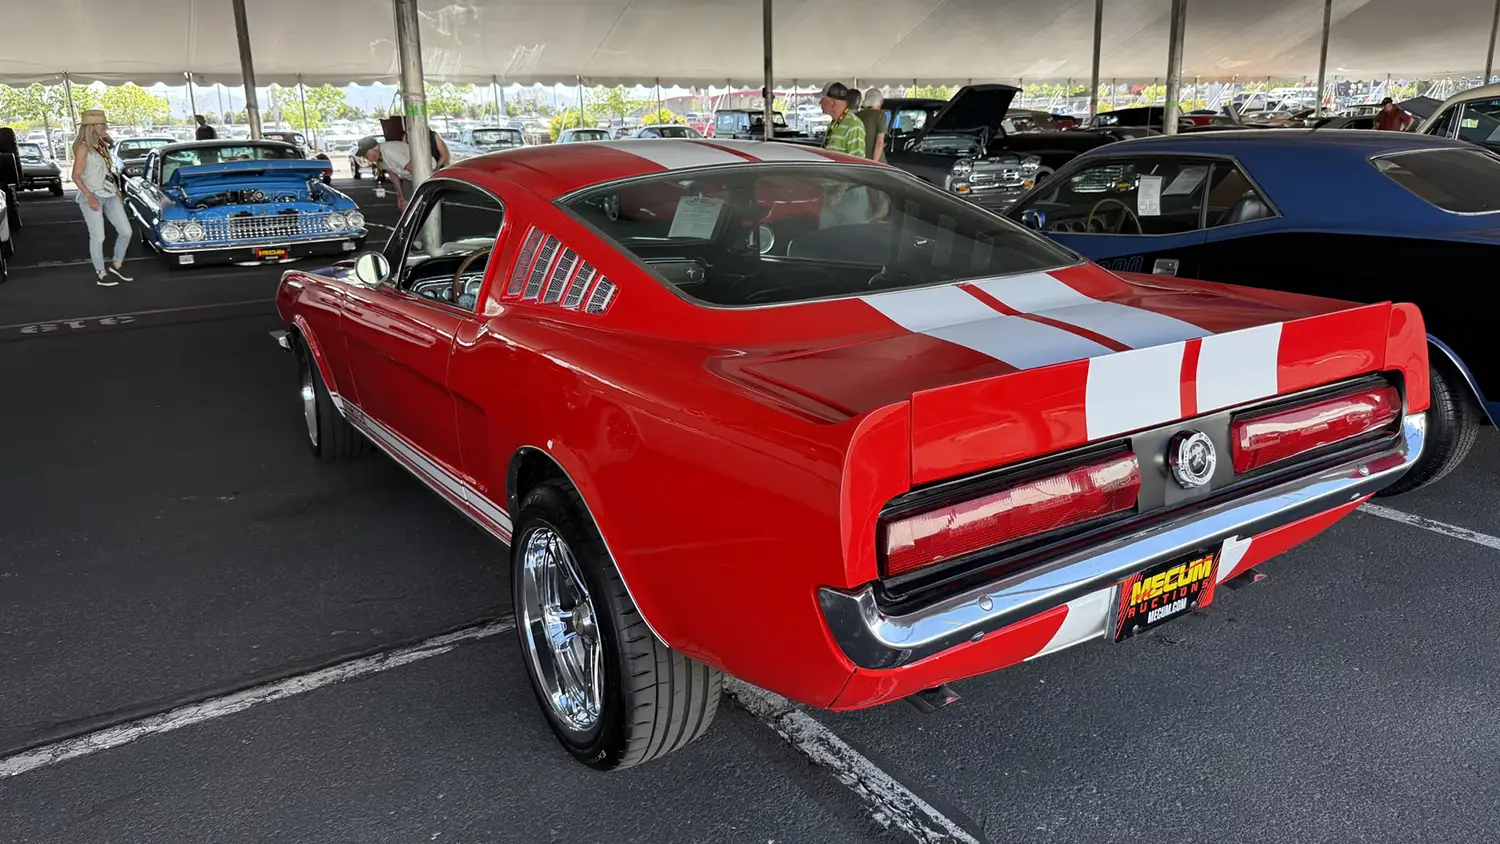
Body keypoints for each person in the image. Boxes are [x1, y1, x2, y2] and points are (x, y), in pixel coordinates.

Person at [70, 109, 132, 286]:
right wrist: (89, 196)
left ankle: (117, 264)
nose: (105, 128)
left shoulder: (102, 145)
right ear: (92, 128)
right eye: (102, 125)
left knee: (126, 231)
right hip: (93, 194)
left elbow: (108, 171)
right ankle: (101, 272)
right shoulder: (83, 147)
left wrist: (117, 191)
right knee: (98, 236)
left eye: (105, 125)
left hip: (109, 193)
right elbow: (76, 175)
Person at [359, 126, 451, 211]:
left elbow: (412, 168)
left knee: (423, 204)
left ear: (373, 149)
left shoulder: (390, 151)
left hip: (424, 173)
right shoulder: (380, 158)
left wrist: (424, 187)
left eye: (366, 155)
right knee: (404, 204)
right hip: (409, 176)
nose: (367, 159)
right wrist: (400, 195)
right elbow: (393, 174)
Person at [819, 81, 866, 158]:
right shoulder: (834, 122)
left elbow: (858, 161)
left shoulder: (854, 125)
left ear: (832, 102)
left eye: (822, 99)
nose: (820, 102)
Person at [856, 87, 888, 162]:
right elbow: (879, 142)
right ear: (881, 102)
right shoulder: (880, 115)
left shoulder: (857, 115)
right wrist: (874, 163)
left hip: (860, 159)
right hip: (876, 160)